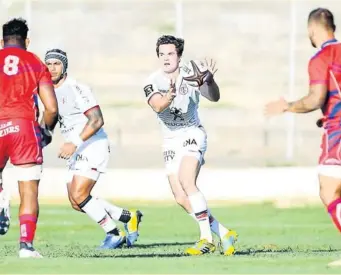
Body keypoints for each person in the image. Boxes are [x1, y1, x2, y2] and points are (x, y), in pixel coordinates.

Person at [143, 35, 238, 256]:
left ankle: (206, 239)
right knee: (181, 198)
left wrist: (209, 81)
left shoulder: (192, 75)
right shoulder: (151, 81)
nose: (166, 58)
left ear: (179, 55)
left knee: (187, 180)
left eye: (171, 53)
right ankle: (224, 233)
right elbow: (158, 106)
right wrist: (169, 96)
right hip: (170, 140)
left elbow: (214, 97)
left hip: (192, 133)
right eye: (162, 54)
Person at [264, 8, 341, 267]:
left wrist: (288, 106)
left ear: (312, 29)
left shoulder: (321, 58)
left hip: (338, 131)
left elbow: (316, 97)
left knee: (329, 189)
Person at [44, 48, 142, 249]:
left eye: (56, 64)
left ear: (64, 66)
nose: (52, 68)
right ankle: (128, 216)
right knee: (76, 201)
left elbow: (97, 120)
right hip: (78, 148)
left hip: (92, 145)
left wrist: (74, 143)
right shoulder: (48, 91)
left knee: (80, 195)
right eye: (49, 64)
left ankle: (113, 234)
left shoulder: (77, 88)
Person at [0, 18, 59, 258]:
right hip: (23, 128)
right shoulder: (34, 61)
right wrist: (46, 131)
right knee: (28, 189)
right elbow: (51, 108)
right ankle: (26, 245)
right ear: (27, 41)